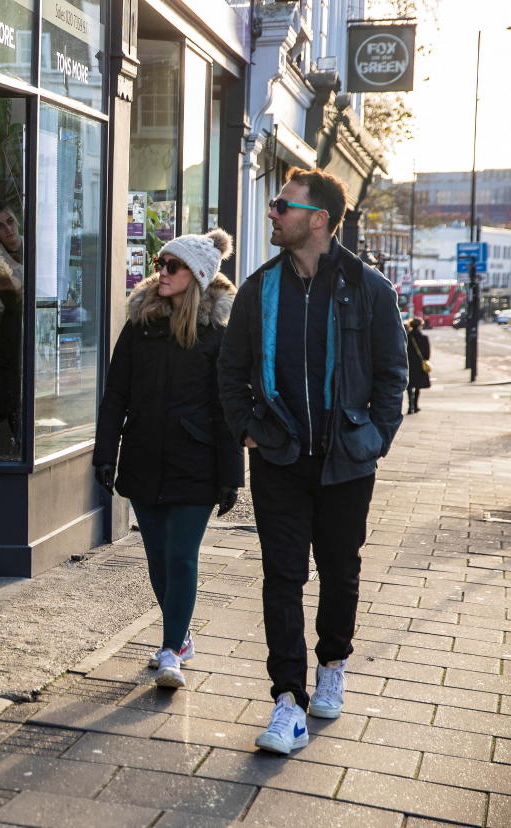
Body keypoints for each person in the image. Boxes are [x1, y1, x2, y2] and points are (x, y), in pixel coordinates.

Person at [216, 167, 407, 754]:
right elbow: (230, 371)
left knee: (340, 569)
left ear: (318, 218)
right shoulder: (259, 287)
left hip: (346, 459)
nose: (272, 213)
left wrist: (372, 438)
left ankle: (333, 662)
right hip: (279, 458)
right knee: (282, 574)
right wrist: (249, 428)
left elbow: (390, 376)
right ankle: (286, 702)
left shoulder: (368, 287)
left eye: (282, 205)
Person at [94, 229, 243, 689]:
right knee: (158, 560)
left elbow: (226, 410)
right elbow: (115, 394)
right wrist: (105, 454)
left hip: (195, 462)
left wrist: (231, 476)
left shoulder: (216, 336)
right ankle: (181, 635)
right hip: (143, 457)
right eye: (160, 263)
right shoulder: (139, 328)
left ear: (196, 276)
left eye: (172, 266)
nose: (162, 272)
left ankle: (170, 649)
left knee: (181, 557)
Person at [405, 317, 431, 413]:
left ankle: (409, 406)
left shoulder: (407, 337)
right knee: (417, 386)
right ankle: (415, 406)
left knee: (409, 385)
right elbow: (427, 355)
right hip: (419, 365)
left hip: (408, 364)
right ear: (420, 326)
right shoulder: (424, 338)